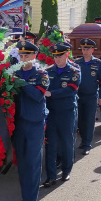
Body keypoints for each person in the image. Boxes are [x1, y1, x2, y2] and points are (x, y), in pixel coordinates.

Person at [11, 40, 49, 201]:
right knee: (22, 162)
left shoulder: (41, 75)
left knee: (33, 161)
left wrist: (22, 84)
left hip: (34, 122)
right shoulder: (15, 73)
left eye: (27, 55)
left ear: (34, 56)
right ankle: (24, 194)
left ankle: (30, 200)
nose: (23, 57)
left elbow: (38, 96)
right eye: (21, 55)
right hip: (18, 123)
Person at [42, 42, 81, 187]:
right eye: (55, 56)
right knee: (50, 144)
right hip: (52, 112)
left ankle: (66, 170)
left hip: (67, 112)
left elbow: (71, 89)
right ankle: (51, 176)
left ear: (66, 55)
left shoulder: (74, 71)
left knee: (66, 142)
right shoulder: (48, 71)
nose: (57, 59)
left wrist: (51, 93)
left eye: (60, 56)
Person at [75, 39, 101, 155]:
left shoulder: (98, 63)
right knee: (80, 121)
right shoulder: (77, 63)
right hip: (78, 96)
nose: (85, 51)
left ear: (92, 50)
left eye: (87, 48)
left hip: (91, 96)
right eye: (83, 48)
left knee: (89, 120)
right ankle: (83, 140)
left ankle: (87, 144)